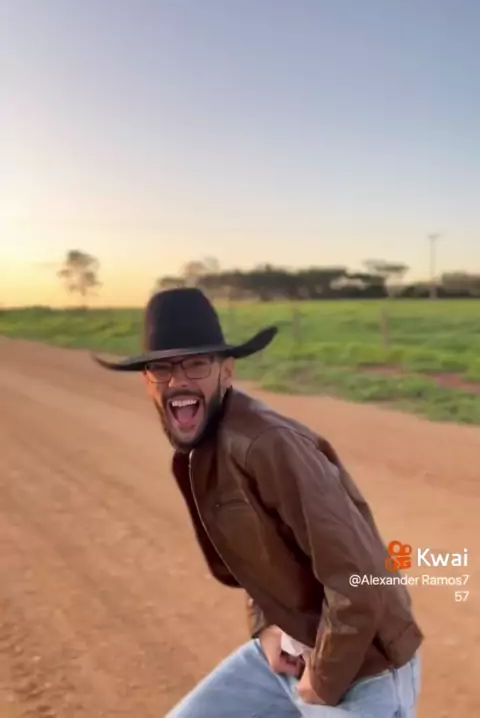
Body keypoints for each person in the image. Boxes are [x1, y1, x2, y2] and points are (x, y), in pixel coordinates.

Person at [94, 287, 423, 717]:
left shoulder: (268, 445)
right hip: (291, 649)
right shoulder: (206, 448)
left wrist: (323, 680)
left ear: (226, 371)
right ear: (147, 381)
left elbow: (360, 579)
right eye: (162, 367)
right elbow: (257, 559)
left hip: (360, 668)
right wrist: (267, 627)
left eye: (196, 363)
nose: (178, 380)